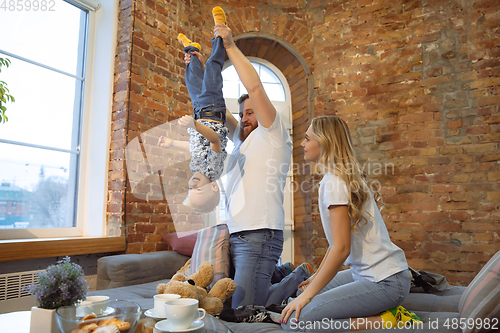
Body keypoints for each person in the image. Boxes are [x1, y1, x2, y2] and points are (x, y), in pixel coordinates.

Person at [279, 115, 422, 331]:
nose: (302, 144)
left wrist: (308, 296)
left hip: (385, 282)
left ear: (325, 142)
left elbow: (342, 249)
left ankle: (392, 319)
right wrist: (315, 279)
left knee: (295, 323)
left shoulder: (334, 182)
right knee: (300, 296)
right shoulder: (336, 178)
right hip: (373, 276)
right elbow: (337, 243)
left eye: (307, 139)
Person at [158, 7, 229, 213]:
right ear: (213, 187)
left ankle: (192, 50)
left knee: (192, 81)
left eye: (189, 190)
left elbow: (193, 148)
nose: (192, 186)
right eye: (197, 191)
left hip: (200, 112)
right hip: (213, 111)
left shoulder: (195, 168)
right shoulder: (214, 170)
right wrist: (195, 125)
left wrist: (172, 143)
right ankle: (219, 33)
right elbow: (215, 140)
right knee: (213, 70)